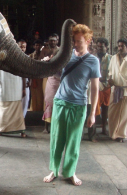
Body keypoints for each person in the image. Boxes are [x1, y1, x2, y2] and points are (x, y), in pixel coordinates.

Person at [43, 24, 100, 186]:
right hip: (61, 101)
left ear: (88, 41)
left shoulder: (93, 61)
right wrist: (49, 63)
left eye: (79, 41)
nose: (75, 44)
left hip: (78, 105)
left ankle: (70, 172)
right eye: (74, 41)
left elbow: (95, 88)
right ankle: (54, 170)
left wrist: (92, 113)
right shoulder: (66, 55)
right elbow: (57, 73)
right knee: (56, 139)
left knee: (73, 142)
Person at [108, 38, 127, 143]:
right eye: (119, 46)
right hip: (115, 89)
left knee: (125, 114)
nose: (120, 48)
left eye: (122, 46)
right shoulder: (113, 58)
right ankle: (112, 133)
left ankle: (121, 135)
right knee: (112, 113)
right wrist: (110, 80)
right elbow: (110, 72)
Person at [88, 38, 112, 142]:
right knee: (94, 109)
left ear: (107, 47)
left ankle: (104, 128)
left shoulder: (111, 58)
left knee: (106, 108)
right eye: (98, 46)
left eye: (101, 47)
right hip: (95, 86)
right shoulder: (92, 58)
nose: (99, 48)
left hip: (107, 86)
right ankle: (92, 133)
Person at [0, 67, 27, 137]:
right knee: (18, 113)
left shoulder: (2, 64)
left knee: (2, 113)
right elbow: (23, 76)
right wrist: (23, 89)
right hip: (16, 91)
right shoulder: (18, 63)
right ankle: (22, 132)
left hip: (4, 91)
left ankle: (0, 130)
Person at [41, 34, 60, 132]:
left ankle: (56, 125)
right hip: (49, 79)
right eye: (51, 40)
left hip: (59, 80)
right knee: (48, 101)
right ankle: (46, 126)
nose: (52, 42)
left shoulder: (61, 51)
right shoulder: (45, 50)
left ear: (57, 41)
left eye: (54, 40)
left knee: (57, 102)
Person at [29, 39, 44, 111]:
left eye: (39, 45)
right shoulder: (31, 55)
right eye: (36, 45)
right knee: (34, 95)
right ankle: (34, 109)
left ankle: (41, 110)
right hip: (33, 78)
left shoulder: (44, 55)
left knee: (41, 95)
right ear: (34, 46)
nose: (37, 46)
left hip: (42, 78)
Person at [18, 40, 30, 118]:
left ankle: (22, 120)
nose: (22, 49)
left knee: (25, 102)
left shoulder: (28, 58)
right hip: (17, 83)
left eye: (24, 47)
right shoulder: (14, 59)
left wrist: (30, 80)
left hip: (26, 83)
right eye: (21, 47)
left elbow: (31, 71)